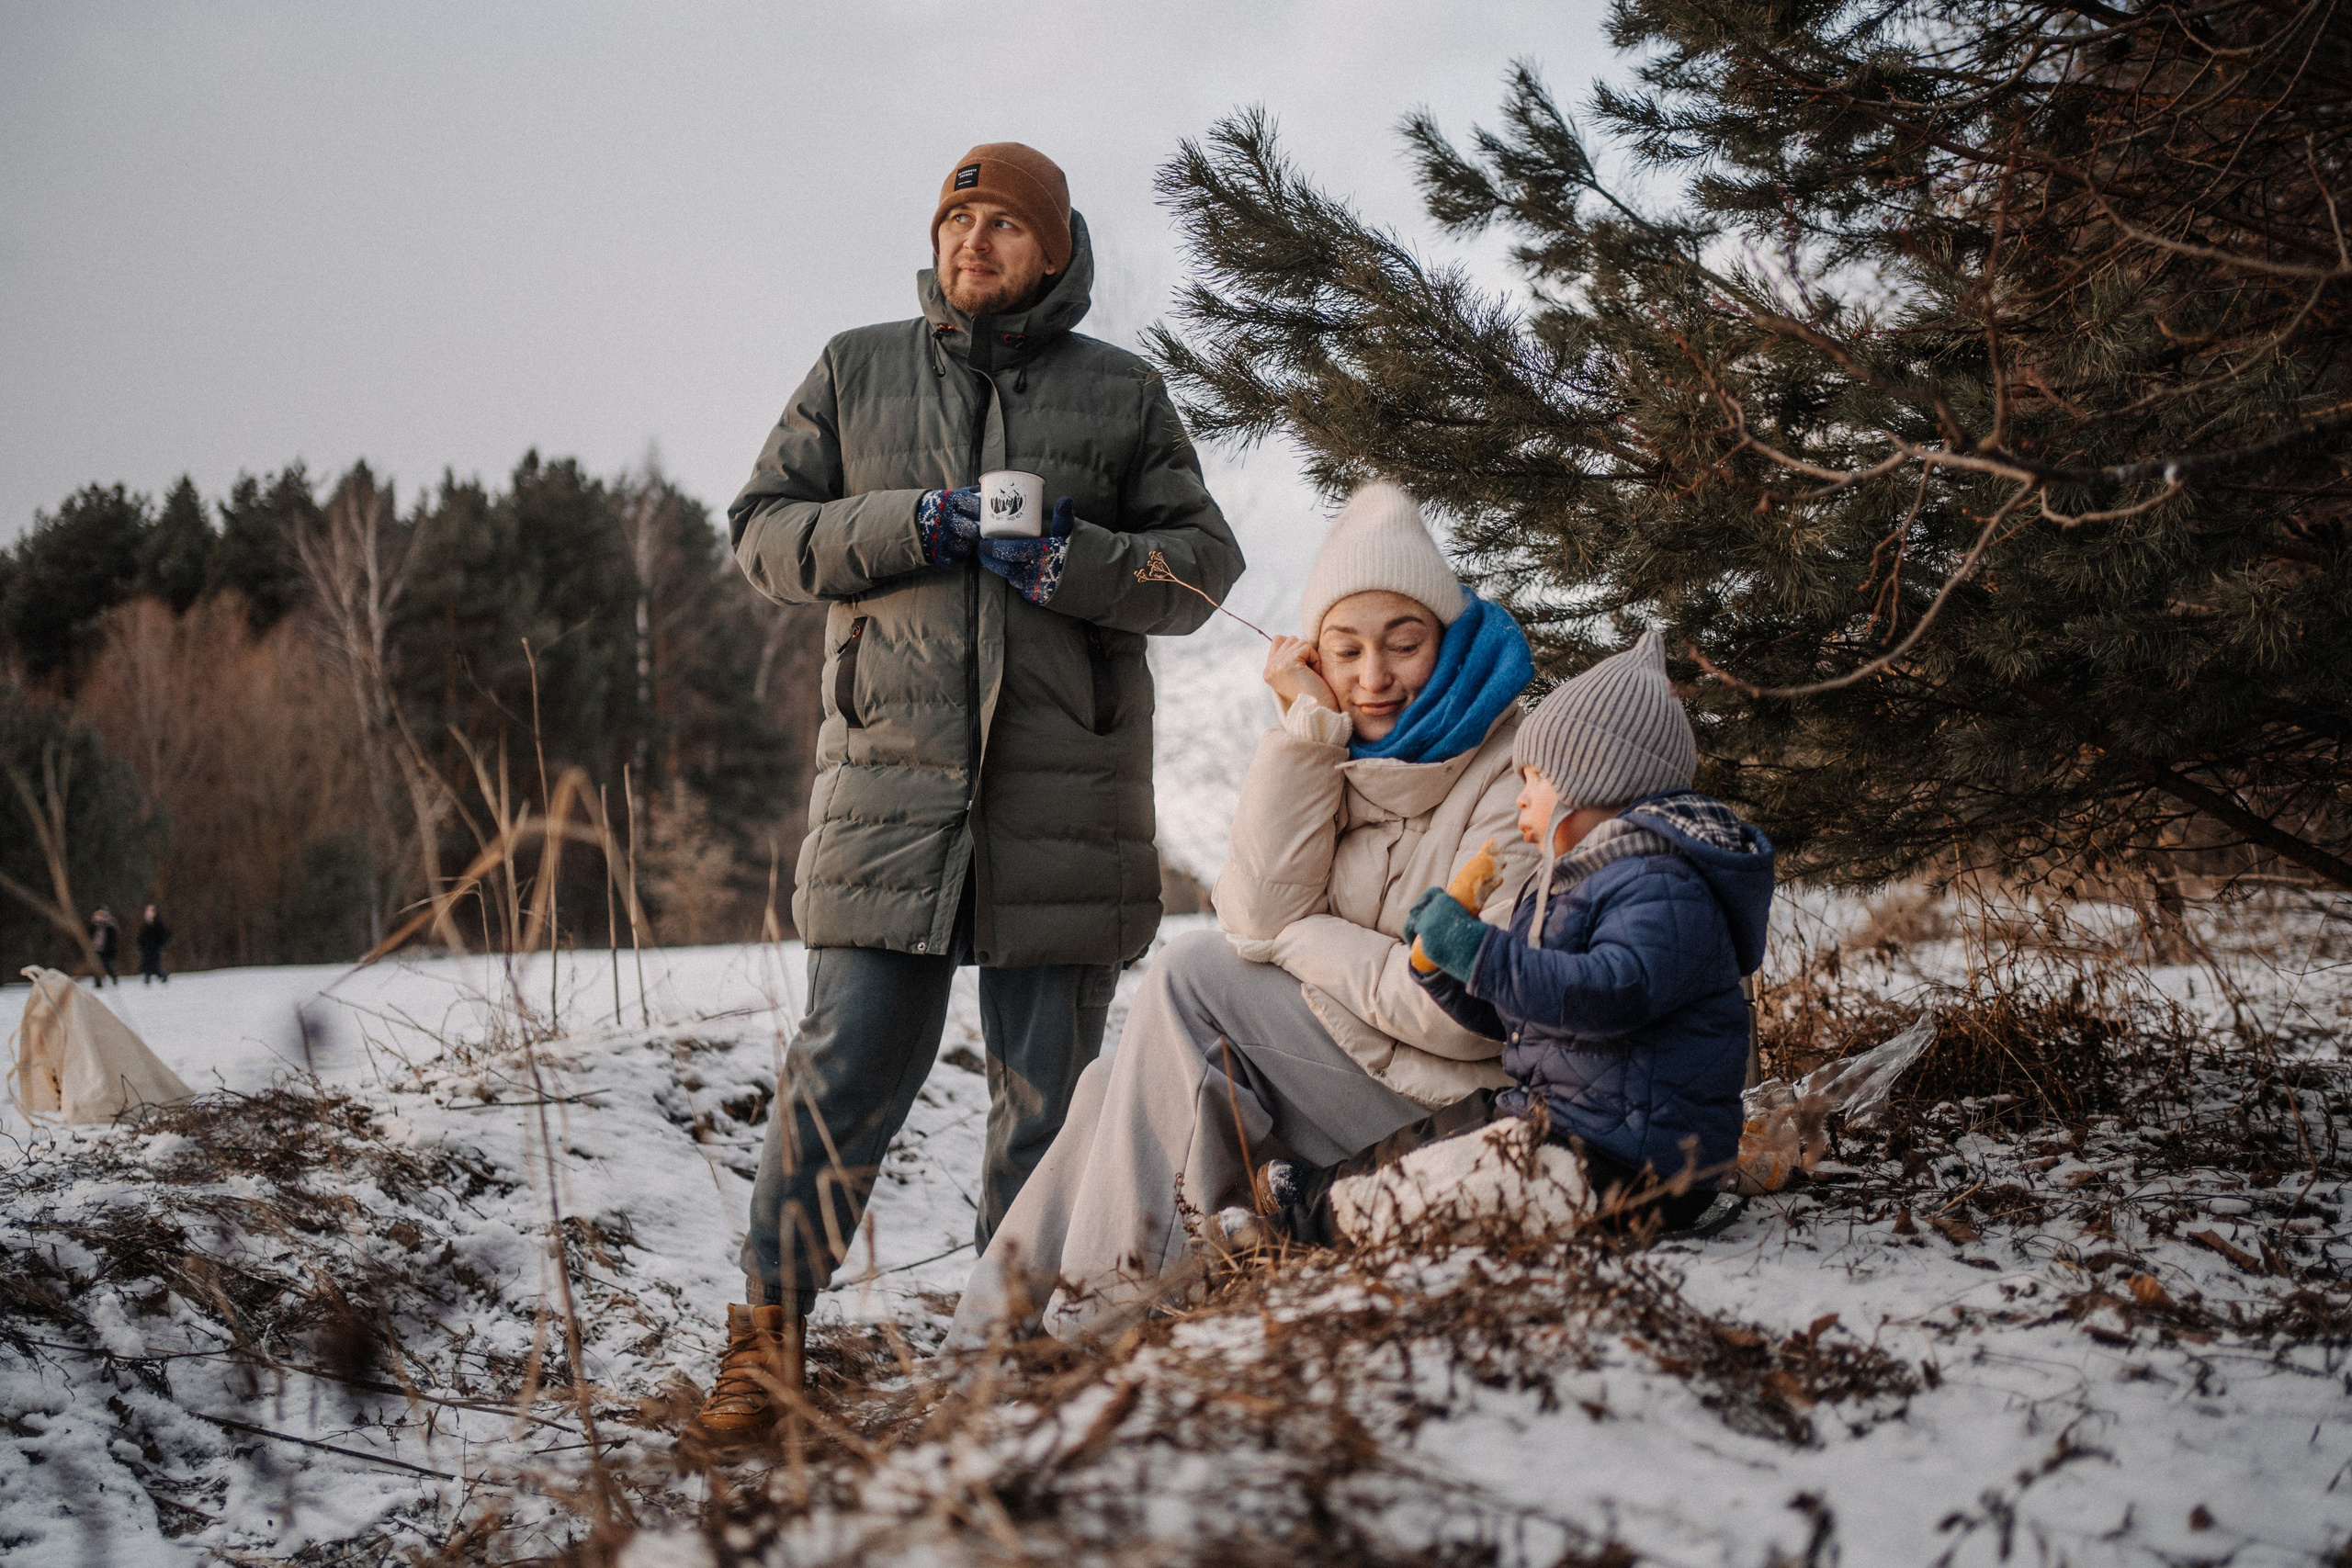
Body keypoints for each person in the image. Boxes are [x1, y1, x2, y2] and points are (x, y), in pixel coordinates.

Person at [689, 142, 1244, 1447]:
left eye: (1004, 224)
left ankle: (1011, 1351)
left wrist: (1077, 562)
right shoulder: (855, 367)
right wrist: (912, 526)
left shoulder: (1123, 396)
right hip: (889, 799)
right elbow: (760, 530)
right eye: (958, 220)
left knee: (1048, 1099)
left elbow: (1206, 568)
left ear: (1055, 251)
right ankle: (767, 1349)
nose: (973, 242)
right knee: (844, 1073)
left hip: (1068, 810)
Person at [951, 482, 1534, 1345]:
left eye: (1403, 644)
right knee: (1113, 1086)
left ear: (1443, 642)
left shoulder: (1511, 770)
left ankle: (1095, 1328)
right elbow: (1257, 909)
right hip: (1353, 1067)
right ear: (1317, 658)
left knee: (1189, 975)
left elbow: (1469, 1011)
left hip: (1453, 1102)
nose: (1374, 676)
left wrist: (1304, 939)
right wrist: (1306, 737)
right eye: (1346, 650)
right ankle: (981, 1349)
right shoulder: (1332, 744)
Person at [1254, 629, 1774, 1247]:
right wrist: (1443, 969)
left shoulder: (1663, 884)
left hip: (1640, 1164)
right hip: (1575, 1122)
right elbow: (1530, 1013)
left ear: (1594, 778)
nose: (1522, 797)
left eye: (1534, 778)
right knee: (1451, 1130)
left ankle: (1309, 1228)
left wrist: (1479, 952)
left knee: (1458, 1179)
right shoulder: (1583, 879)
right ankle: (1320, 1194)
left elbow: (1606, 995)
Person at [138, 905, 172, 984]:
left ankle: (162, 975)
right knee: (147, 963)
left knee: (154, 964)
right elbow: (142, 936)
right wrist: (140, 945)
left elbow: (165, 935)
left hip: (154, 948)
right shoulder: (146, 924)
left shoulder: (158, 924)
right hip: (147, 948)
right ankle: (148, 977)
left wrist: (161, 945)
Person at [86, 908, 119, 987]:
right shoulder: (93, 927)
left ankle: (113, 978)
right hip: (95, 950)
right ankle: (98, 983)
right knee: (96, 967)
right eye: (97, 915)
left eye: (100, 915)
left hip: (106, 951)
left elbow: (113, 940)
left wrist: (110, 949)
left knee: (107, 966)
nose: (98, 917)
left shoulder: (110, 928)